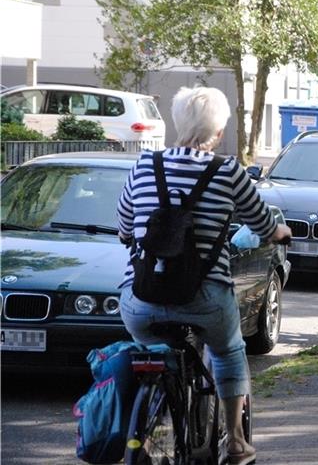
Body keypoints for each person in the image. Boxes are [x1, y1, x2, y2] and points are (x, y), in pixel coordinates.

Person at [117, 86, 292, 465]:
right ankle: (236, 442)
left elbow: (124, 227)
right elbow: (262, 223)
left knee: (145, 349)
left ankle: (139, 427)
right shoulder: (228, 171)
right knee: (228, 351)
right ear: (217, 131)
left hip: (141, 299)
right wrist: (280, 232)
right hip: (205, 298)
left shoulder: (144, 165)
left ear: (178, 122)